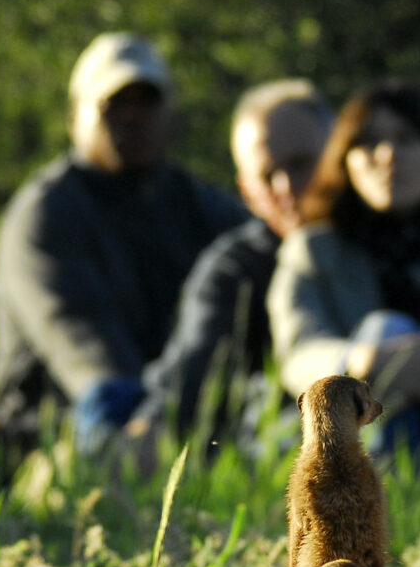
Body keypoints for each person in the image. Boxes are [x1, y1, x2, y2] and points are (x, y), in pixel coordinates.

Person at [0, 33, 246, 464]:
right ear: (74, 119)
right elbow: (80, 346)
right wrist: (146, 425)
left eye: (147, 103)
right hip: (59, 435)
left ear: (170, 114)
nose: (133, 118)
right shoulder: (46, 214)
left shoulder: (199, 205)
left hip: (174, 426)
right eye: (114, 106)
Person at [268, 81, 420, 458]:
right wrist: (365, 361)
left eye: (406, 139)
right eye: (369, 142)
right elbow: (297, 351)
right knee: (384, 328)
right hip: (360, 413)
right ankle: (386, 486)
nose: (388, 155)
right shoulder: (313, 248)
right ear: (345, 159)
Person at [126, 80, 332, 456]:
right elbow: (192, 382)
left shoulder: (393, 242)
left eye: (302, 163)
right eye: (268, 175)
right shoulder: (232, 273)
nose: (286, 187)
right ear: (246, 192)